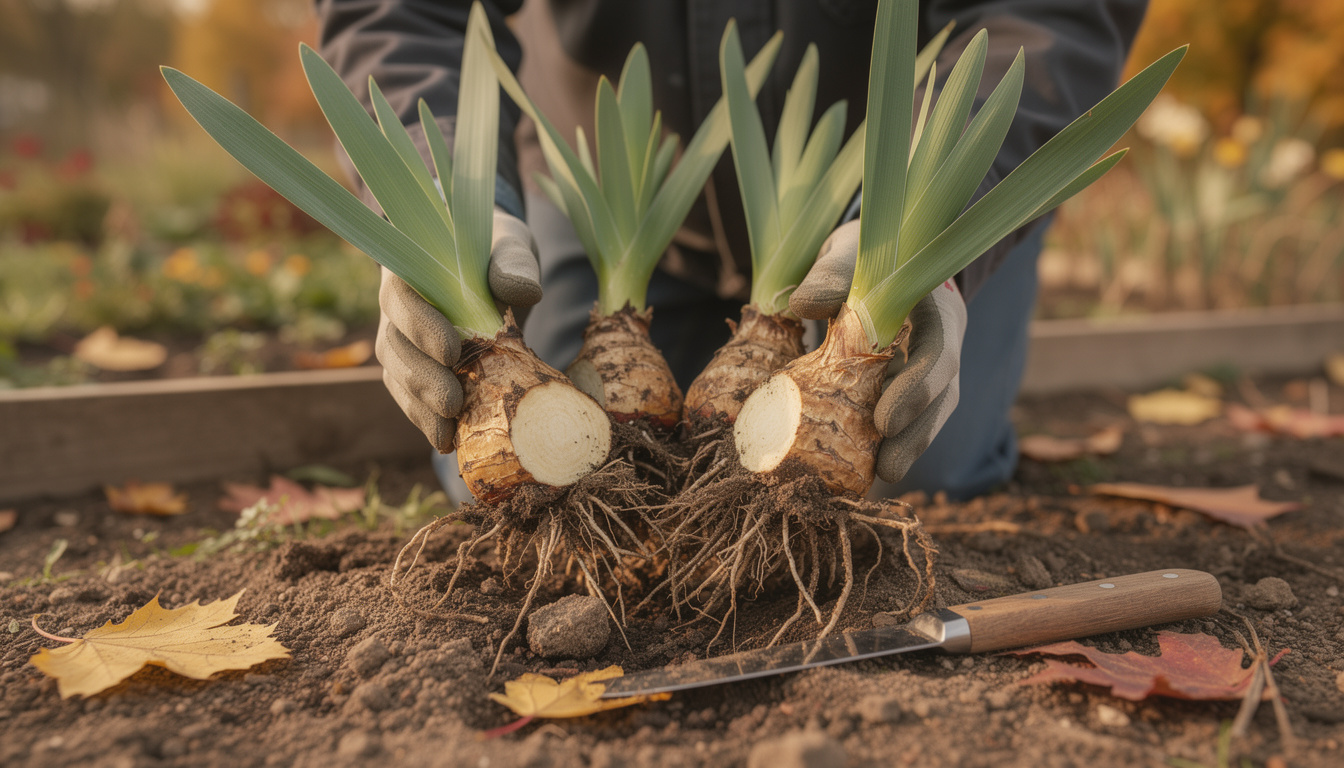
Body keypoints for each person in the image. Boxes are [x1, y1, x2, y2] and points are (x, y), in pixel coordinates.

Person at [316, 0, 1148, 501]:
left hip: (880, 212)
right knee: (511, 478)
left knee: (909, 470)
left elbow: (1045, 21)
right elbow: (398, 13)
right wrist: (448, 217)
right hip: (608, 198)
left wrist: (930, 247)